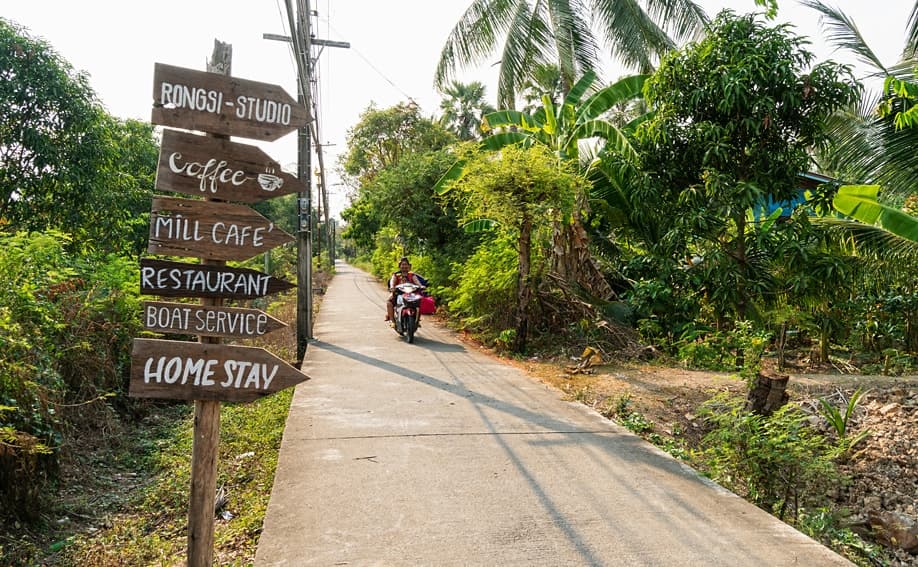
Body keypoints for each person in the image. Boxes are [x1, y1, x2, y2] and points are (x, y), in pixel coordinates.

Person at [386, 256, 423, 325]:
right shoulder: (396, 275)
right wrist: (392, 288)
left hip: (410, 294)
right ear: (399, 266)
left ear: (409, 266)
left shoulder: (412, 275)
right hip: (398, 294)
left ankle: (417, 320)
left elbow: (417, 282)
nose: (404, 266)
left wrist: (421, 286)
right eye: (402, 264)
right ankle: (392, 321)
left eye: (406, 264)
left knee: (419, 302)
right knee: (389, 302)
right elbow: (392, 282)